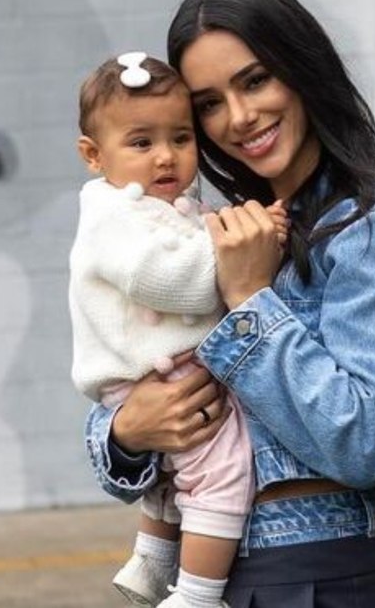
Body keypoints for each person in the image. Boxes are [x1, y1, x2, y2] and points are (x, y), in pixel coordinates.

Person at [85, 0, 375, 607]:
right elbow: (127, 408)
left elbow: (366, 443)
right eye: (208, 103)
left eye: (255, 80)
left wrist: (251, 301)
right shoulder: (221, 231)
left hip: (315, 576)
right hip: (199, 576)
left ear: (303, 69)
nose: (239, 118)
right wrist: (128, 430)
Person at [69, 51, 287, 608]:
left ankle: (151, 561)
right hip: (162, 373)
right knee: (223, 470)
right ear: (94, 155)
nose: (166, 157)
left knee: (176, 478)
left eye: (181, 138)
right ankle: (195, 596)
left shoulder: (155, 206)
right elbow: (174, 281)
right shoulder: (113, 216)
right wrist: (242, 249)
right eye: (141, 143)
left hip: (159, 371)